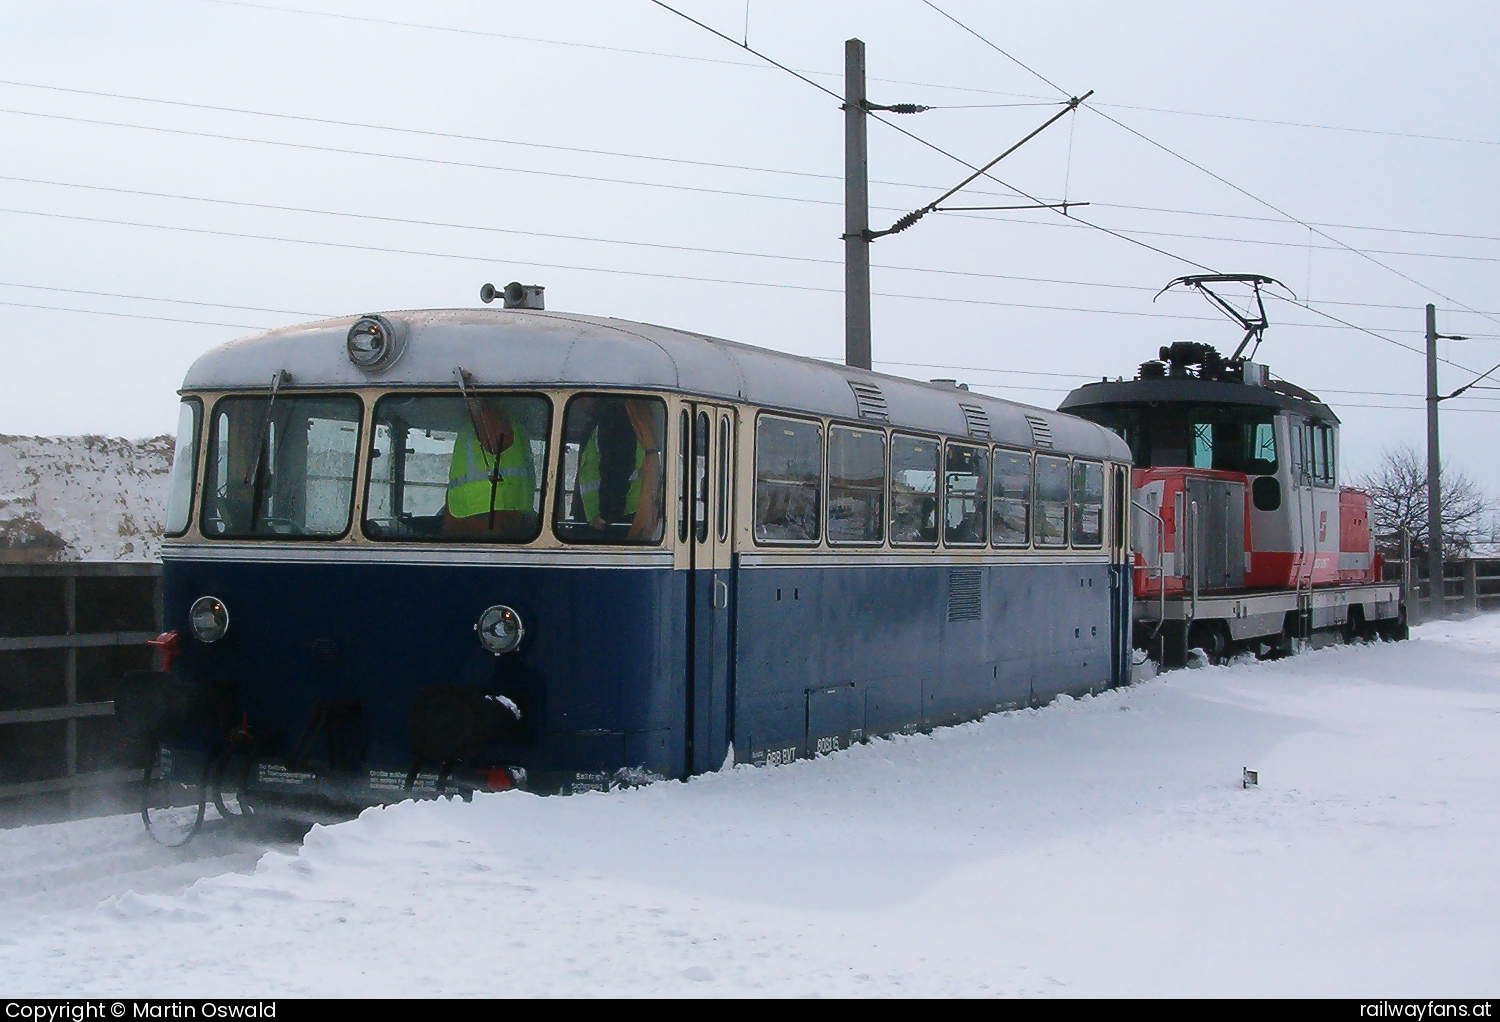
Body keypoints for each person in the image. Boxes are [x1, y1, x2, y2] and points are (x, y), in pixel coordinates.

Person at [444, 399, 535, 536]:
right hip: (481, 510)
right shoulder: (509, 422)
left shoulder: (489, 418)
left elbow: (496, 437)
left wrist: (479, 410)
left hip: (485, 511)